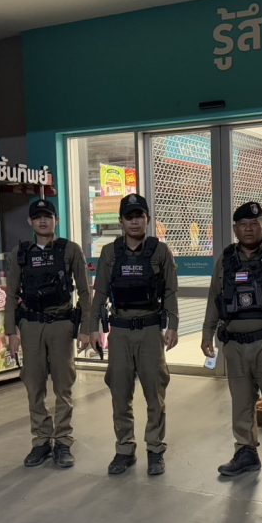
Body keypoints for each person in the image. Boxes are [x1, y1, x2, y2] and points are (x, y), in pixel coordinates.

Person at [81, 193, 179, 476]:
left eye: (139, 216)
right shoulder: (110, 253)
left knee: (155, 394)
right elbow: (100, 292)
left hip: (150, 330)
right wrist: (92, 328)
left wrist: (173, 325)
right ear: (121, 221)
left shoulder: (160, 251)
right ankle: (124, 449)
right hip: (120, 331)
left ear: (147, 219)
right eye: (129, 217)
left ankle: (155, 449)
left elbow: (170, 291)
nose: (135, 222)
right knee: (120, 392)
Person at [202, 201, 262, 484]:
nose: (249, 229)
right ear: (235, 229)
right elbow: (214, 298)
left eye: (254, 224)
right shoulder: (225, 260)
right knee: (241, 403)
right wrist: (207, 333)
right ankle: (245, 453)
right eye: (243, 225)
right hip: (235, 345)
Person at [6, 199, 90, 469]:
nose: (43, 221)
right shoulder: (20, 253)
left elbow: (85, 291)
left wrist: (87, 328)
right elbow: (11, 294)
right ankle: (41, 441)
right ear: (30, 222)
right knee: (34, 385)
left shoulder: (70, 250)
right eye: (38, 217)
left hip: (61, 325)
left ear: (57, 220)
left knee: (63, 386)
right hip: (30, 326)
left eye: (48, 216)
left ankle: (63, 441)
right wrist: (10, 331)